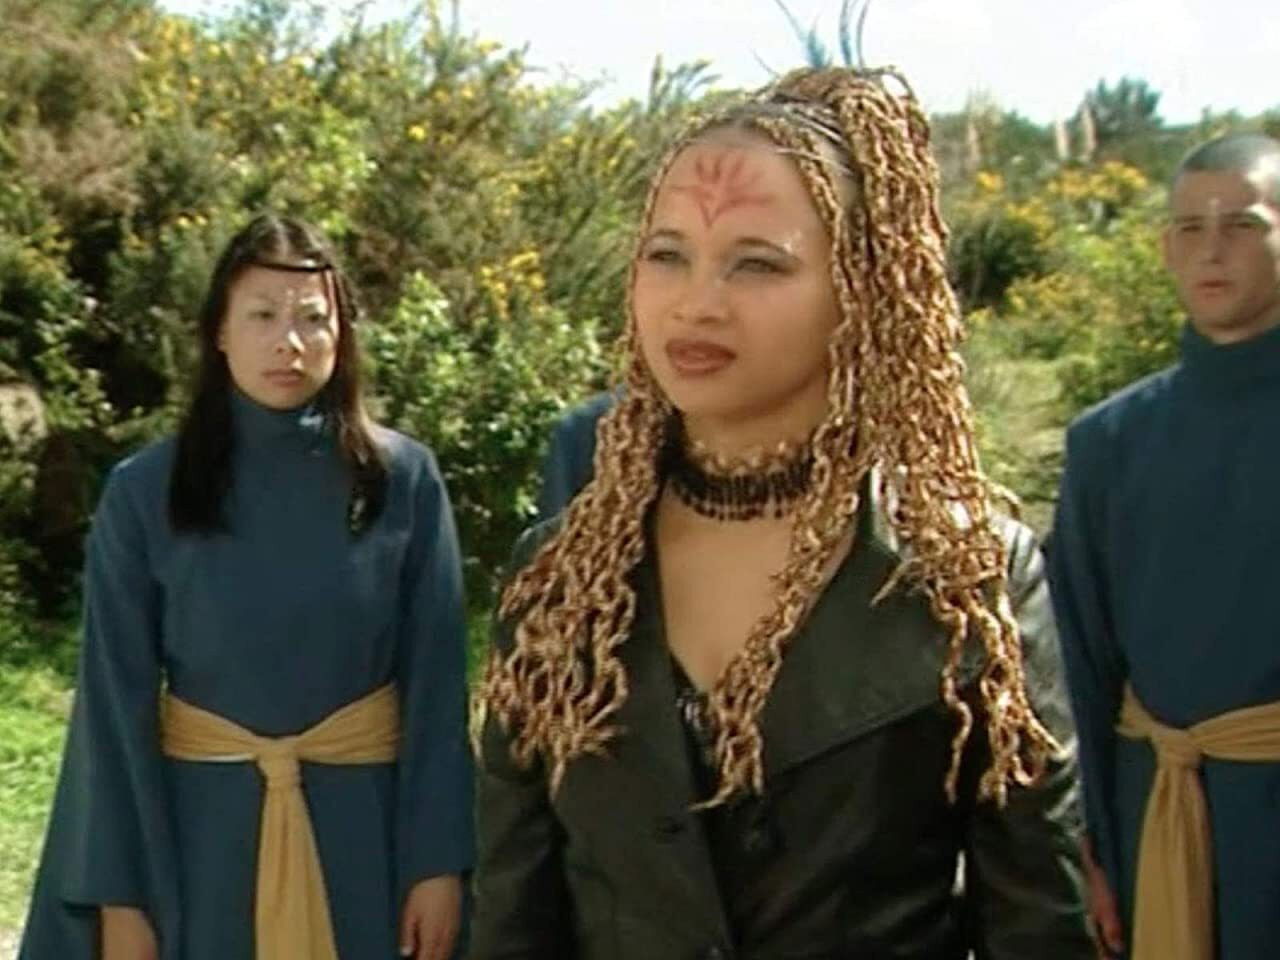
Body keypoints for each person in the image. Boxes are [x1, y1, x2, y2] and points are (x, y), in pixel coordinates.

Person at [470, 67, 1092, 958]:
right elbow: (512, 917)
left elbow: (1037, 921)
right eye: (666, 254)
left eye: (757, 263)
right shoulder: (561, 582)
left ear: (863, 289)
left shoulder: (963, 576)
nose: (697, 302)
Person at [19, 214, 474, 960]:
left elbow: (437, 688)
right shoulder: (146, 491)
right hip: (200, 843)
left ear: (342, 334)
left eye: (312, 319)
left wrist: (439, 864)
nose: (288, 342)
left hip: (368, 840)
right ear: (220, 333)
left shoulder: (404, 481)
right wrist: (122, 898)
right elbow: (111, 709)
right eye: (262, 316)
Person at [1049, 132, 1280, 960]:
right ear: (1165, 248)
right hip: (1153, 819)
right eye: (1190, 227)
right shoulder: (1109, 443)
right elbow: (1074, 665)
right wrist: (1087, 846)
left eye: (1242, 225)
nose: (1212, 249)